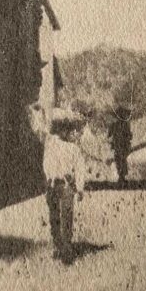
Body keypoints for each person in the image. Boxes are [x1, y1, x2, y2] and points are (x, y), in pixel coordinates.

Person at [42, 108, 87, 264]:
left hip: (67, 185)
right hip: (53, 184)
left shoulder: (73, 149)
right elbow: (46, 164)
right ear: (56, 129)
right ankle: (57, 245)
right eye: (60, 128)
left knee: (66, 216)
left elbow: (80, 167)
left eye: (66, 128)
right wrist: (48, 177)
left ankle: (67, 248)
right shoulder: (51, 146)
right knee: (54, 217)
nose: (64, 131)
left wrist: (80, 187)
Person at [108, 103, 133, 186]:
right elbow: (129, 136)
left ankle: (121, 178)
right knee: (121, 161)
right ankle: (121, 178)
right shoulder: (122, 124)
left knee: (120, 161)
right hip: (120, 146)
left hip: (121, 146)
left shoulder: (120, 124)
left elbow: (109, 135)